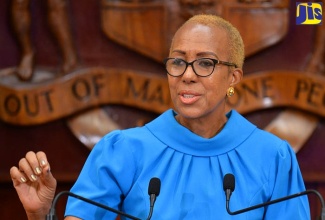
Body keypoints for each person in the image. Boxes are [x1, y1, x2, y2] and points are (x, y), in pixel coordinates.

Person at [10, 14, 310, 219]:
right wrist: (40, 215)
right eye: (178, 61)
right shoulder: (123, 149)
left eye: (205, 63)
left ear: (233, 77)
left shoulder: (273, 156)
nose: (187, 75)